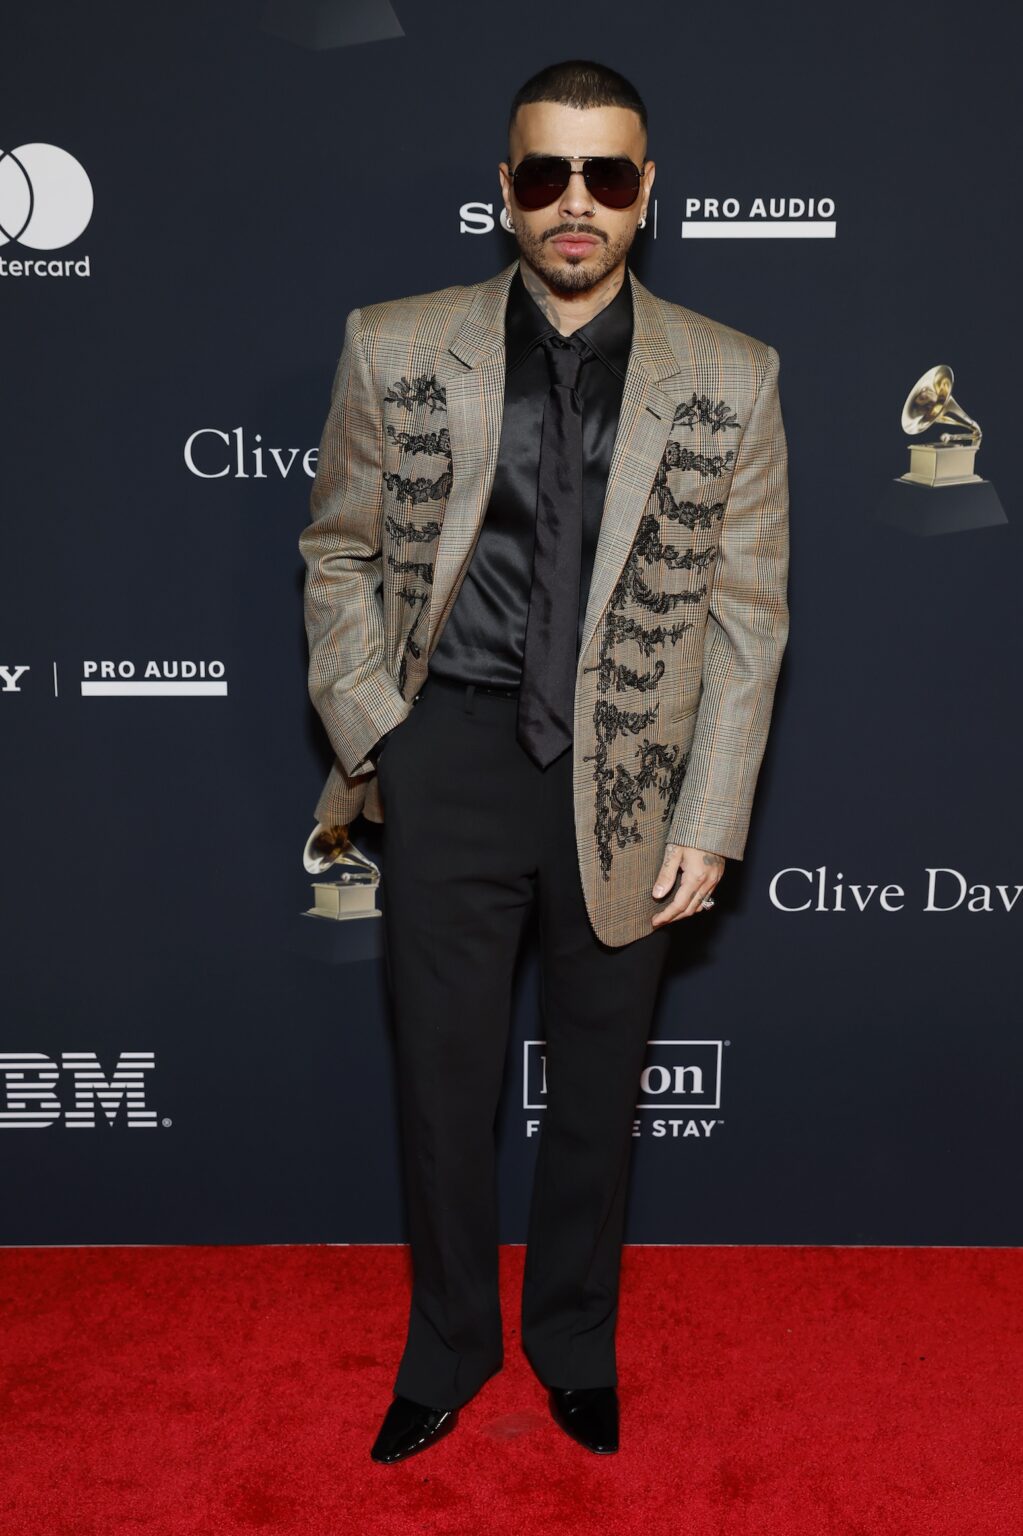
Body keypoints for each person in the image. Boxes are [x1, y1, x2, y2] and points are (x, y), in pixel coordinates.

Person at [298, 58, 790, 1462]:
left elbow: (748, 616)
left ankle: (573, 1343)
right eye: (546, 173)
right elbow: (337, 550)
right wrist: (379, 730)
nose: (577, 201)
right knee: (444, 1088)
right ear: (505, 189)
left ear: (647, 191)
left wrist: (713, 807)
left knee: (596, 1090)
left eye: (607, 174)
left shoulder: (733, 373)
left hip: (629, 767)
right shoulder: (396, 344)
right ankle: (449, 1346)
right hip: (448, 752)